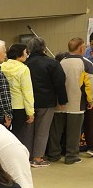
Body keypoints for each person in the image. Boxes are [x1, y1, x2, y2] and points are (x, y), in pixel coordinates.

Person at [47, 37, 93, 165]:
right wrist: (90, 100)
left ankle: (53, 155)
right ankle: (71, 156)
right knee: (74, 132)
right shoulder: (86, 63)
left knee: (56, 131)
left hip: (59, 103)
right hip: (76, 103)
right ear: (81, 48)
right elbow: (90, 85)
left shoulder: (60, 62)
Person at [24, 37, 68, 167]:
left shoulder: (25, 63)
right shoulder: (52, 63)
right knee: (42, 131)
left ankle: (26, 157)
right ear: (44, 48)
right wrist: (62, 99)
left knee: (28, 131)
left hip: (27, 103)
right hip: (46, 102)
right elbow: (59, 82)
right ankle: (37, 158)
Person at [1, 43, 35, 151]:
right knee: (18, 135)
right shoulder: (23, 69)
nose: (26, 55)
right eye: (25, 52)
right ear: (19, 54)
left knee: (5, 135)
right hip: (19, 107)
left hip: (4, 106)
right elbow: (27, 92)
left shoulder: (2, 66)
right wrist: (30, 112)